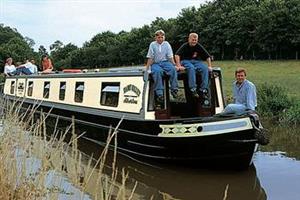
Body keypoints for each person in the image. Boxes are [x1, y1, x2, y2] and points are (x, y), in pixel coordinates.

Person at [146, 30, 182, 103]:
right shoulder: (152, 45)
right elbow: (150, 57)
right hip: (155, 63)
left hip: (165, 62)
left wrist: (174, 65)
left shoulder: (167, 44)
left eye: (162, 37)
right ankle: (159, 94)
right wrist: (147, 68)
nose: (160, 39)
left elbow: (170, 56)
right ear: (155, 38)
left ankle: (174, 90)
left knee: (172, 69)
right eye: (158, 37)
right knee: (157, 71)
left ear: (164, 37)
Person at [175, 33, 212, 98]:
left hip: (196, 61)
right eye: (193, 40)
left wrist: (209, 66)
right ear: (189, 39)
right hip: (185, 61)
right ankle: (193, 89)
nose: (194, 41)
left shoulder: (198, 46)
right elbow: (177, 55)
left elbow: (207, 56)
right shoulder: (185, 46)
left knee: (205, 68)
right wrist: (178, 66)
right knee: (191, 68)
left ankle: (203, 89)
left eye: (195, 40)